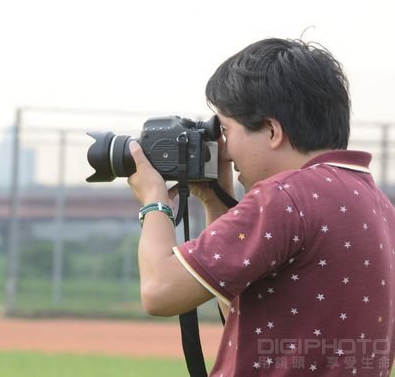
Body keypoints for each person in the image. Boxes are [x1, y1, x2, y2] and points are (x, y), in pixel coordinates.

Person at [127, 38, 395, 376]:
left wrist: (154, 201)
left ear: (271, 131)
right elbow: (244, 312)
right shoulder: (378, 205)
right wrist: (215, 199)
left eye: (225, 130)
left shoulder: (285, 197)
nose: (225, 150)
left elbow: (160, 291)